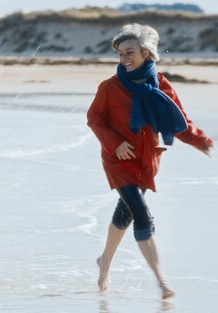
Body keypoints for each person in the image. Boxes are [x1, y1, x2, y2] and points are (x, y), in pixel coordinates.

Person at [87, 24, 213, 299]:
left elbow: (178, 120)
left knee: (126, 212)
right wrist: (115, 143)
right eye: (120, 54)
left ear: (146, 52)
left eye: (130, 52)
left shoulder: (161, 84)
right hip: (118, 159)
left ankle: (104, 260)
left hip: (147, 159)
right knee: (142, 214)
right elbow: (94, 119)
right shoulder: (109, 87)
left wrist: (202, 141)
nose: (124, 59)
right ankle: (162, 281)